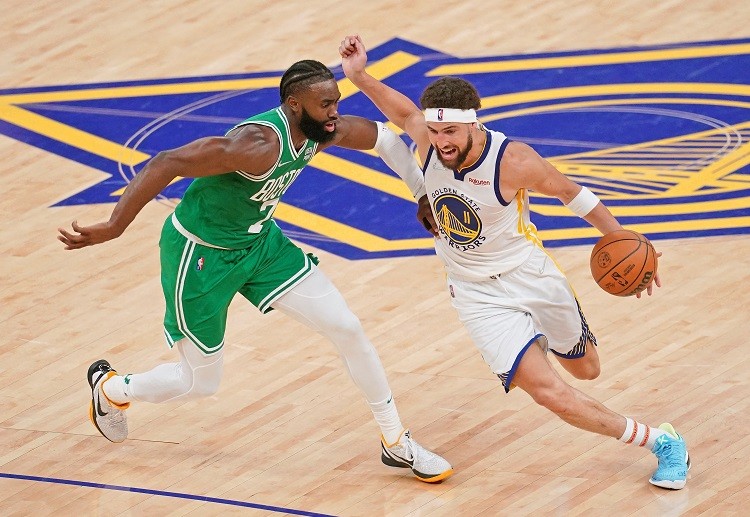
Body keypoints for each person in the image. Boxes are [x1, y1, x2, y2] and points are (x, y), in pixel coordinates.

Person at [58, 59, 452, 483]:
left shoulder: (323, 130)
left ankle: (395, 441)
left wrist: (423, 193)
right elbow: (166, 162)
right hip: (201, 255)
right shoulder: (258, 145)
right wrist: (114, 227)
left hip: (260, 245)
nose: (335, 112)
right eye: (325, 104)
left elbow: (386, 140)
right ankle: (111, 390)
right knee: (201, 383)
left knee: (347, 327)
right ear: (294, 106)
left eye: (336, 101)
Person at [339, 35, 690, 489]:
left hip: (530, 275)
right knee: (552, 396)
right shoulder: (426, 139)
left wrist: (628, 242)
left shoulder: (513, 160)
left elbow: (574, 195)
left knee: (587, 370)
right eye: (435, 130)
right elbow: (405, 112)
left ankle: (537, 340)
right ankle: (661, 442)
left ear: (473, 125)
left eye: (450, 132)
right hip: (476, 293)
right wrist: (359, 76)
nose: (440, 141)